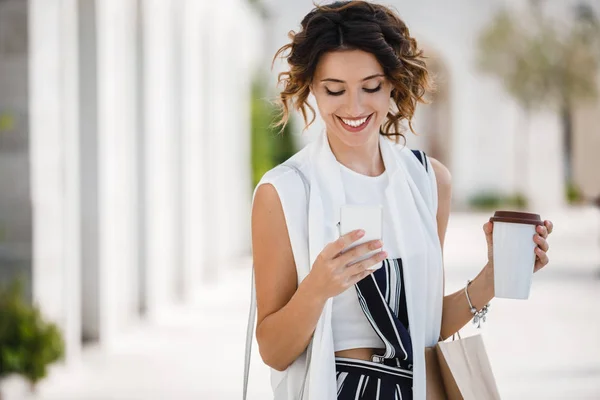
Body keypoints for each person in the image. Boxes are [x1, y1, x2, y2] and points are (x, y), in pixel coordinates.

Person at [250, 1, 554, 399]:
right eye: (334, 90)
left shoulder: (429, 181)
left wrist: (491, 279)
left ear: (393, 82)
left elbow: (424, 328)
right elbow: (273, 351)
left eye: (371, 87)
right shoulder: (285, 192)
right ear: (311, 89)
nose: (354, 107)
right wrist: (318, 287)